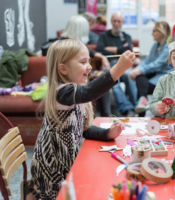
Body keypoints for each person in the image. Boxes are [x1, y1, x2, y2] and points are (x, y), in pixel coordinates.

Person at [21, 39, 135, 200]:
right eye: (83, 62)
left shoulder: (74, 93)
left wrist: (107, 133)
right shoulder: (62, 93)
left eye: (89, 61)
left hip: (65, 162)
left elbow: (85, 130)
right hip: (50, 169)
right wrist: (119, 68)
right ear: (63, 69)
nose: (89, 66)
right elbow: (90, 92)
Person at [128, 21, 173, 117]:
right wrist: (137, 69)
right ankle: (142, 102)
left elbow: (157, 64)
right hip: (157, 73)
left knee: (140, 83)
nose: (152, 33)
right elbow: (147, 61)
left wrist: (139, 71)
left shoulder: (169, 47)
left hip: (166, 76)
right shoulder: (156, 45)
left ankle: (141, 111)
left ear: (162, 32)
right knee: (139, 78)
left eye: (154, 31)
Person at [96, 12, 137, 117]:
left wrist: (109, 49)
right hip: (110, 64)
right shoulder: (103, 36)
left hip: (125, 64)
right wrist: (119, 50)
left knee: (129, 76)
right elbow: (100, 49)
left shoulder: (127, 36)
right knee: (114, 81)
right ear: (111, 22)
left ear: (123, 22)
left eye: (119, 21)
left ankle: (135, 106)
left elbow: (126, 50)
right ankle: (126, 108)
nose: (116, 23)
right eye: (114, 21)